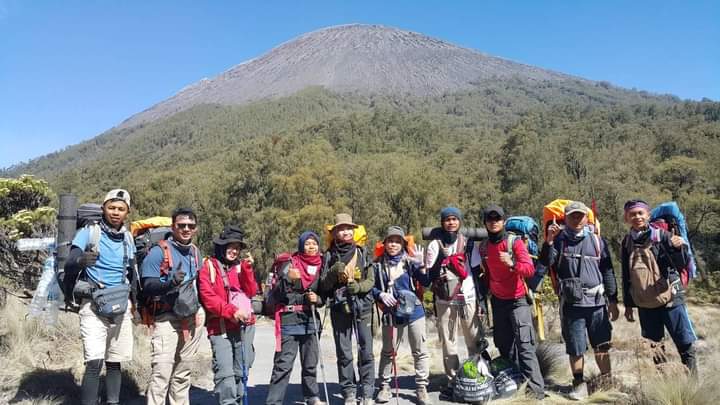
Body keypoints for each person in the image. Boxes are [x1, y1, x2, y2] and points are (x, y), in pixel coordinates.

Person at [540, 201, 618, 400]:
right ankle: (578, 383)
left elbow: (608, 271)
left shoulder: (598, 242)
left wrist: (613, 300)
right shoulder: (559, 241)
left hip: (597, 303)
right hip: (572, 304)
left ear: (586, 217)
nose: (577, 219)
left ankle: (607, 383)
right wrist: (549, 241)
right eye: (572, 215)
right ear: (565, 217)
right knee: (575, 347)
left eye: (580, 215)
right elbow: (546, 263)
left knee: (601, 345)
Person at [65, 189, 135, 405]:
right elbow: (70, 262)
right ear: (103, 208)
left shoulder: (128, 237)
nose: (115, 212)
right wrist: (80, 261)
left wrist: (136, 305)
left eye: (120, 209)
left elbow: (131, 273)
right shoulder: (90, 232)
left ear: (127, 212)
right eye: (111, 207)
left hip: (121, 306)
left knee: (115, 362)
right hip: (93, 306)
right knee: (94, 362)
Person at [470, 205, 545, 399]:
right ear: (485, 222)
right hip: (498, 301)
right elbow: (486, 275)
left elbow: (529, 270)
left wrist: (512, 263)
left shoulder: (515, 243)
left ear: (503, 221)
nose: (493, 222)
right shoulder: (485, 246)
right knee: (504, 346)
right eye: (489, 219)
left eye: (497, 218)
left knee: (525, 346)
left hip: (518, 300)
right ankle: (513, 384)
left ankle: (536, 392)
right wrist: (482, 301)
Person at [621, 199, 698, 374]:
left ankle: (693, 385)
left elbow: (680, 263)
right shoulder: (626, 243)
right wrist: (628, 305)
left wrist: (679, 248)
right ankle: (665, 384)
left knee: (684, 344)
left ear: (648, 215)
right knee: (655, 347)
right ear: (626, 218)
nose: (637, 217)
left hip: (671, 298)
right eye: (632, 214)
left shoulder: (662, 236)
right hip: (645, 302)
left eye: (640, 213)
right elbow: (627, 275)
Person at [141, 207, 204, 405]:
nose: (186, 229)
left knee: (183, 373)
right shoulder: (158, 252)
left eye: (190, 226)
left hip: (192, 318)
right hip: (165, 318)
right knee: (161, 372)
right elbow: (148, 285)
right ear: (173, 226)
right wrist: (170, 283)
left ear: (195, 229)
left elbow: (200, 284)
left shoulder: (195, 252)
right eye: (181, 225)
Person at [319, 213, 376, 405]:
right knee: (344, 352)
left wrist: (359, 288)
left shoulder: (362, 252)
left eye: (349, 228)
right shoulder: (328, 255)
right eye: (341, 229)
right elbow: (323, 285)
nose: (346, 232)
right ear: (334, 233)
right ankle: (349, 392)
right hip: (339, 308)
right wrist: (334, 272)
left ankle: (367, 392)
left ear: (354, 230)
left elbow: (371, 280)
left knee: (366, 351)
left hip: (363, 307)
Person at [198, 225, 257, 405]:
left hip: (245, 326)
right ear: (221, 246)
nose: (234, 251)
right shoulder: (208, 266)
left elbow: (252, 291)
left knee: (241, 372)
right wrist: (231, 312)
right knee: (226, 374)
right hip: (220, 327)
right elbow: (208, 298)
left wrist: (247, 270)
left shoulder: (240, 266)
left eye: (237, 248)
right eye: (230, 246)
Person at [371, 226, 431, 405]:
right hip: (391, 312)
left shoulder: (410, 261)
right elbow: (371, 287)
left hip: (415, 311)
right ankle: (385, 386)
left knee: (420, 351)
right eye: (390, 241)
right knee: (388, 351)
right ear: (385, 243)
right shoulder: (377, 264)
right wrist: (380, 294)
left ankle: (421, 387)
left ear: (403, 244)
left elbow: (425, 282)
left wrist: (421, 265)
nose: (393, 244)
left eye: (397, 241)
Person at [265, 231, 326, 405]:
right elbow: (276, 293)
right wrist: (289, 280)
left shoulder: (322, 265)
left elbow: (325, 294)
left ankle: (311, 396)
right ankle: (273, 401)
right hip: (289, 320)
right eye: (307, 243)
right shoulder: (290, 263)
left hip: (310, 320)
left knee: (310, 363)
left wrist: (318, 299)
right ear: (301, 245)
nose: (311, 246)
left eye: (314, 243)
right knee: (283, 366)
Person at [426, 206, 480, 392]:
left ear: (459, 222)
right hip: (444, 300)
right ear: (442, 222)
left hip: (468, 297)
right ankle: (453, 379)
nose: (451, 222)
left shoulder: (468, 243)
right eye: (447, 219)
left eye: (454, 219)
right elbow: (429, 275)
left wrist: (480, 300)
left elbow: (476, 270)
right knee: (449, 342)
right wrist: (441, 257)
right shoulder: (434, 245)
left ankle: (474, 375)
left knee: (473, 339)